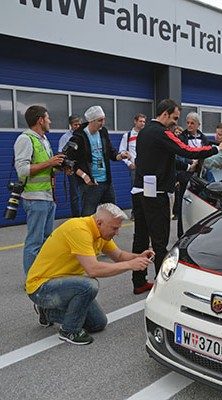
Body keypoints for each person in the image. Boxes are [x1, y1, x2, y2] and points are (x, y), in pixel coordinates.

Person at [131, 99, 222, 295]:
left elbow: (158, 159)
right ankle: (162, 287)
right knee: (159, 242)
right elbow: (187, 150)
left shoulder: (143, 133)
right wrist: (217, 148)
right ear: (165, 114)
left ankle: (139, 281)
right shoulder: (161, 132)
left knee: (140, 239)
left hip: (139, 191)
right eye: (175, 118)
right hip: (156, 194)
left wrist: (186, 167)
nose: (176, 123)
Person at [25, 203, 153, 345]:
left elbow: (119, 255)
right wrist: (130, 265)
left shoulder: (101, 233)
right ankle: (69, 331)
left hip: (65, 283)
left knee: (98, 323)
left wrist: (139, 257)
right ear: (99, 223)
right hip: (41, 287)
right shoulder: (79, 229)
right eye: (115, 228)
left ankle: (47, 313)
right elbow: (93, 269)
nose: (117, 233)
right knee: (88, 285)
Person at [14, 105, 66, 274]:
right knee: (34, 242)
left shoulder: (43, 140)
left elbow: (45, 167)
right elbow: (22, 170)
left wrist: (59, 167)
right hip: (35, 198)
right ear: (40, 120)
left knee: (46, 241)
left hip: (47, 197)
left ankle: (42, 273)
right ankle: (31, 279)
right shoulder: (25, 139)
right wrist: (49, 163)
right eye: (48, 118)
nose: (50, 121)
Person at [70, 106, 130, 216]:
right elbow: (70, 162)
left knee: (112, 213)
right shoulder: (79, 137)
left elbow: (111, 153)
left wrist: (121, 155)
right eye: (100, 120)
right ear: (91, 121)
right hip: (90, 184)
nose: (103, 123)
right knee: (88, 215)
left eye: (104, 119)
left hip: (106, 181)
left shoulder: (103, 132)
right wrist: (84, 176)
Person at [174, 112, 209, 236]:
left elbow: (206, 153)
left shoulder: (203, 138)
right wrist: (190, 162)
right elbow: (179, 155)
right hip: (185, 174)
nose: (189, 125)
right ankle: (181, 233)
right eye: (188, 122)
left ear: (198, 125)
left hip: (199, 176)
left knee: (198, 205)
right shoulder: (182, 137)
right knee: (182, 205)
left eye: (192, 123)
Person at [119, 113, 147, 219]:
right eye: (140, 121)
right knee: (135, 190)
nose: (142, 123)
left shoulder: (146, 135)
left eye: (144, 121)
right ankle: (135, 212)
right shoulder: (128, 136)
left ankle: (144, 212)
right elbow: (122, 151)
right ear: (135, 121)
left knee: (146, 190)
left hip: (146, 168)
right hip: (135, 168)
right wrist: (129, 163)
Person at [58, 115, 82, 217]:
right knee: (75, 194)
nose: (77, 126)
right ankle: (76, 217)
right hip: (72, 169)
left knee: (87, 193)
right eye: (75, 124)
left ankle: (86, 216)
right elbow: (60, 154)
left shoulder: (85, 135)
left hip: (84, 168)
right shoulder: (65, 138)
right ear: (70, 125)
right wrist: (66, 168)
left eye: (79, 124)